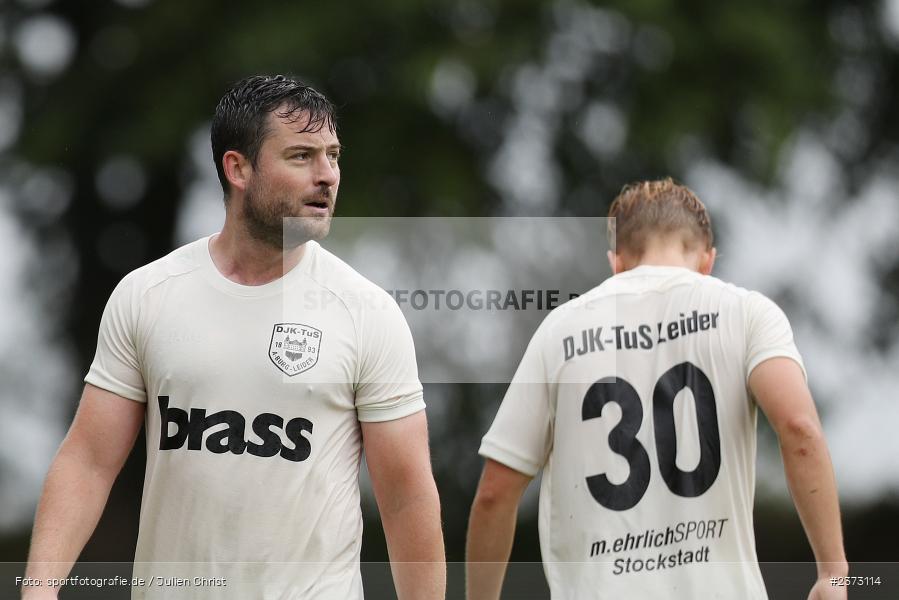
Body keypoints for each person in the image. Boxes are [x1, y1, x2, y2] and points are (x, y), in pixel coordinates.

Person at [23, 75, 445, 600]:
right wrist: (38, 591)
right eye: (301, 156)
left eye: (333, 156)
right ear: (238, 168)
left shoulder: (366, 313)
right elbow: (88, 462)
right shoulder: (148, 295)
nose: (327, 176)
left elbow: (406, 497)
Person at [466, 179, 847, 599]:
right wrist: (834, 573)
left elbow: (494, 495)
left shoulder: (559, 331)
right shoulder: (748, 313)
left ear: (616, 261)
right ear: (707, 260)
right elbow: (799, 429)